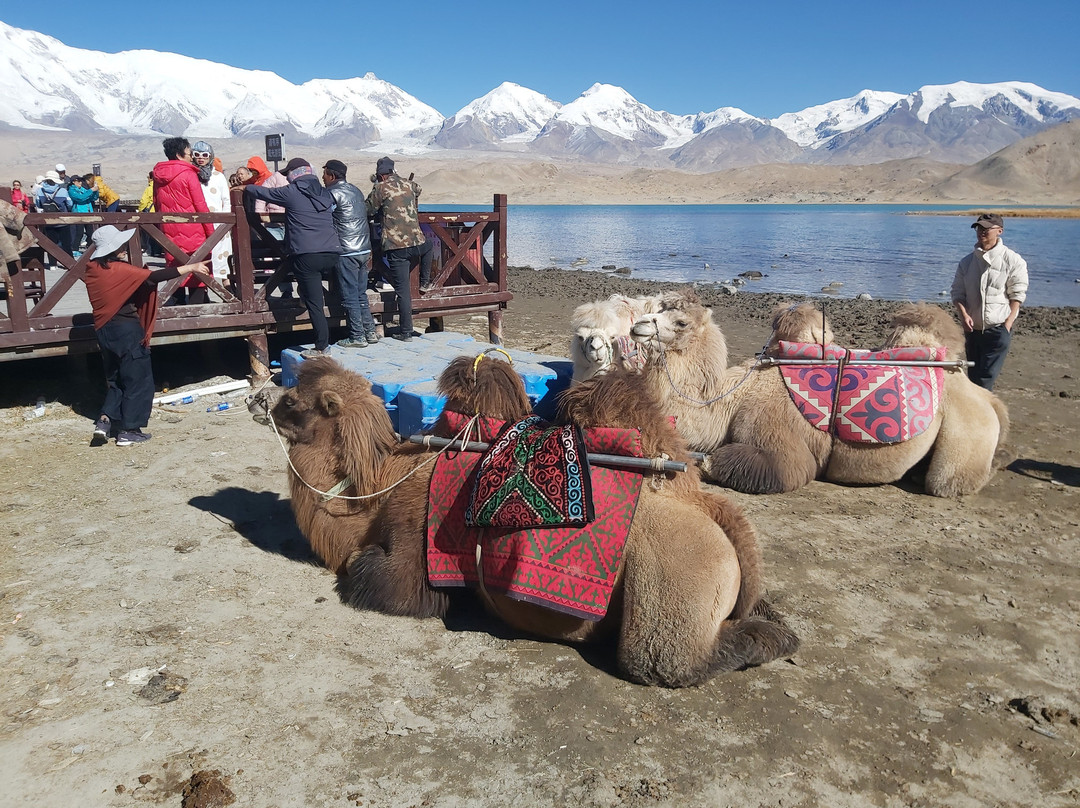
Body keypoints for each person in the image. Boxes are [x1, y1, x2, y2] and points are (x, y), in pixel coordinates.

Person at [81, 225, 209, 446]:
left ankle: (104, 420)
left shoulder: (92, 269)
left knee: (116, 379)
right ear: (112, 249)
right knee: (138, 381)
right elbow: (152, 277)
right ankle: (129, 430)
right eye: (120, 245)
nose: (123, 248)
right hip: (126, 332)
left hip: (103, 331)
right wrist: (190, 267)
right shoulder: (118, 269)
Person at [243, 157, 340, 357]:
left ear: (294, 175)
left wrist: (246, 188)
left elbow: (263, 192)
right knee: (311, 284)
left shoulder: (292, 192)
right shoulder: (325, 192)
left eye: (288, 174)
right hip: (332, 252)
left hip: (307, 254)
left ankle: (322, 347)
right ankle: (310, 297)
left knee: (314, 302)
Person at [951, 213, 1029, 391]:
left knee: (985, 381)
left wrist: (1007, 324)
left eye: (986, 228)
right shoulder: (967, 262)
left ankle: (983, 416)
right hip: (972, 331)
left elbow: (1017, 294)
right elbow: (957, 292)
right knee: (973, 378)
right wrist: (963, 315)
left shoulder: (1013, 260)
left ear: (999, 231)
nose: (981, 232)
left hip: (997, 329)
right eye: (979, 228)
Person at [365, 156, 433, 342]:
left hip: (396, 246)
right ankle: (425, 281)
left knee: (403, 291)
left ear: (381, 175)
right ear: (393, 171)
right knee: (429, 247)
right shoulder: (409, 185)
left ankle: (406, 332)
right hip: (417, 242)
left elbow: (368, 210)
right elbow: (418, 190)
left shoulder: (380, 188)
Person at [322, 159, 379, 348]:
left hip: (346, 250)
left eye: (325, 174)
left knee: (349, 296)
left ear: (331, 175)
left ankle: (357, 336)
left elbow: (324, 217)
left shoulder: (331, 193)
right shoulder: (356, 190)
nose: (323, 178)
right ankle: (370, 332)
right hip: (363, 248)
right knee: (360, 293)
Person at [152, 137, 215, 304]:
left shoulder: (158, 176)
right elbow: (200, 205)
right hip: (194, 232)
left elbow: (157, 204)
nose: (191, 157)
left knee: (175, 270)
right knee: (198, 273)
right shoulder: (188, 174)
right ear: (180, 155)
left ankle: (176, 309)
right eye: (189, 153)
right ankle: (196, 311)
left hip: (169, 232)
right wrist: (212, 234)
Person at [191, 140, 233, 285]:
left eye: (205, 155)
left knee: (221, 256)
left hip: (219, 223)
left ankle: (227, 287)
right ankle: (203, 288)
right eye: (197, 154)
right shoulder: (191, 175)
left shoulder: (219, 177)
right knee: (202, 255)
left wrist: (226, 221)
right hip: (197, 224)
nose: (201, 158)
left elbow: (226, 200)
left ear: (210, 157)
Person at [35, 169, 73, 262]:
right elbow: (70, 204)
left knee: (51, 244)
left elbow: (38, 204)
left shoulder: (39, 191)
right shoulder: (63, 191)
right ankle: (69, 262)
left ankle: (52, 263)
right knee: (66, 243)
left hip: (48, 221)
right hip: (63, 220)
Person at [67, 174, 99, 252]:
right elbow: (80, 198)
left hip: (88, 212)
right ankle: (75, 249)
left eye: (81, 181)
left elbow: (93, 198)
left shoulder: (83, 189)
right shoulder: (71, 190)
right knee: (79, 233)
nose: (80, 183)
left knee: (90, 232)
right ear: (73, 182)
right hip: (79, 213)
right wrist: (91, 190)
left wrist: (96, 191)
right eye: (78, 181)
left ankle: (91, 249)